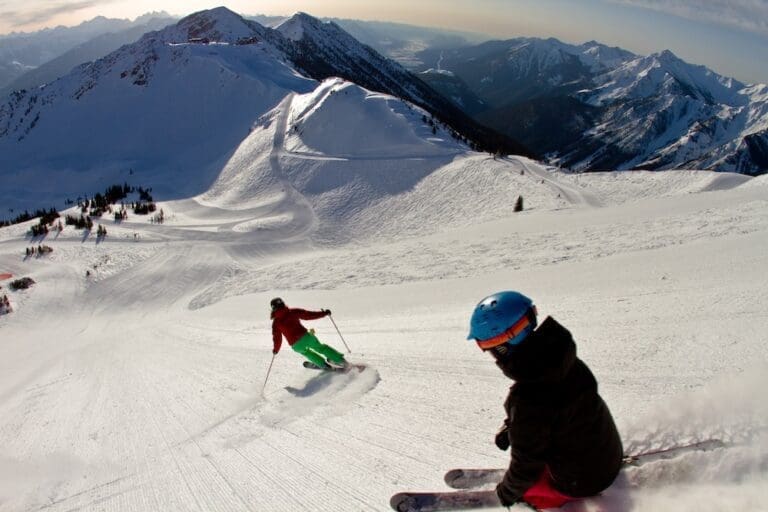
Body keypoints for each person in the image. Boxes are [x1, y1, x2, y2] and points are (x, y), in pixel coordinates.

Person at [467, 291, 623, 509]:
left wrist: (507, 493)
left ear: (501, 347)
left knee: (530, 490)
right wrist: (512, 427)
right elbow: (557, 413)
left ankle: (541, 498)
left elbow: (526, 465)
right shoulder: (561, 360)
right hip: (608, 454)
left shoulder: (529, 399)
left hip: (584, 482)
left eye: (487, 347)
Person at [270, 297, 347, 370]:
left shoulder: (276, 323)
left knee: (307, 353)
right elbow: (309, 315)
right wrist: (324, 313)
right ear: (283, 304)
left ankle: (323, 365)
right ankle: (340, 360)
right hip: (306, 337)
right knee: (320, 347)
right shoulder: (292, 311)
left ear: (273, 309)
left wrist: (276, 349)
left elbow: (277, 338)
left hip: (296, 345)